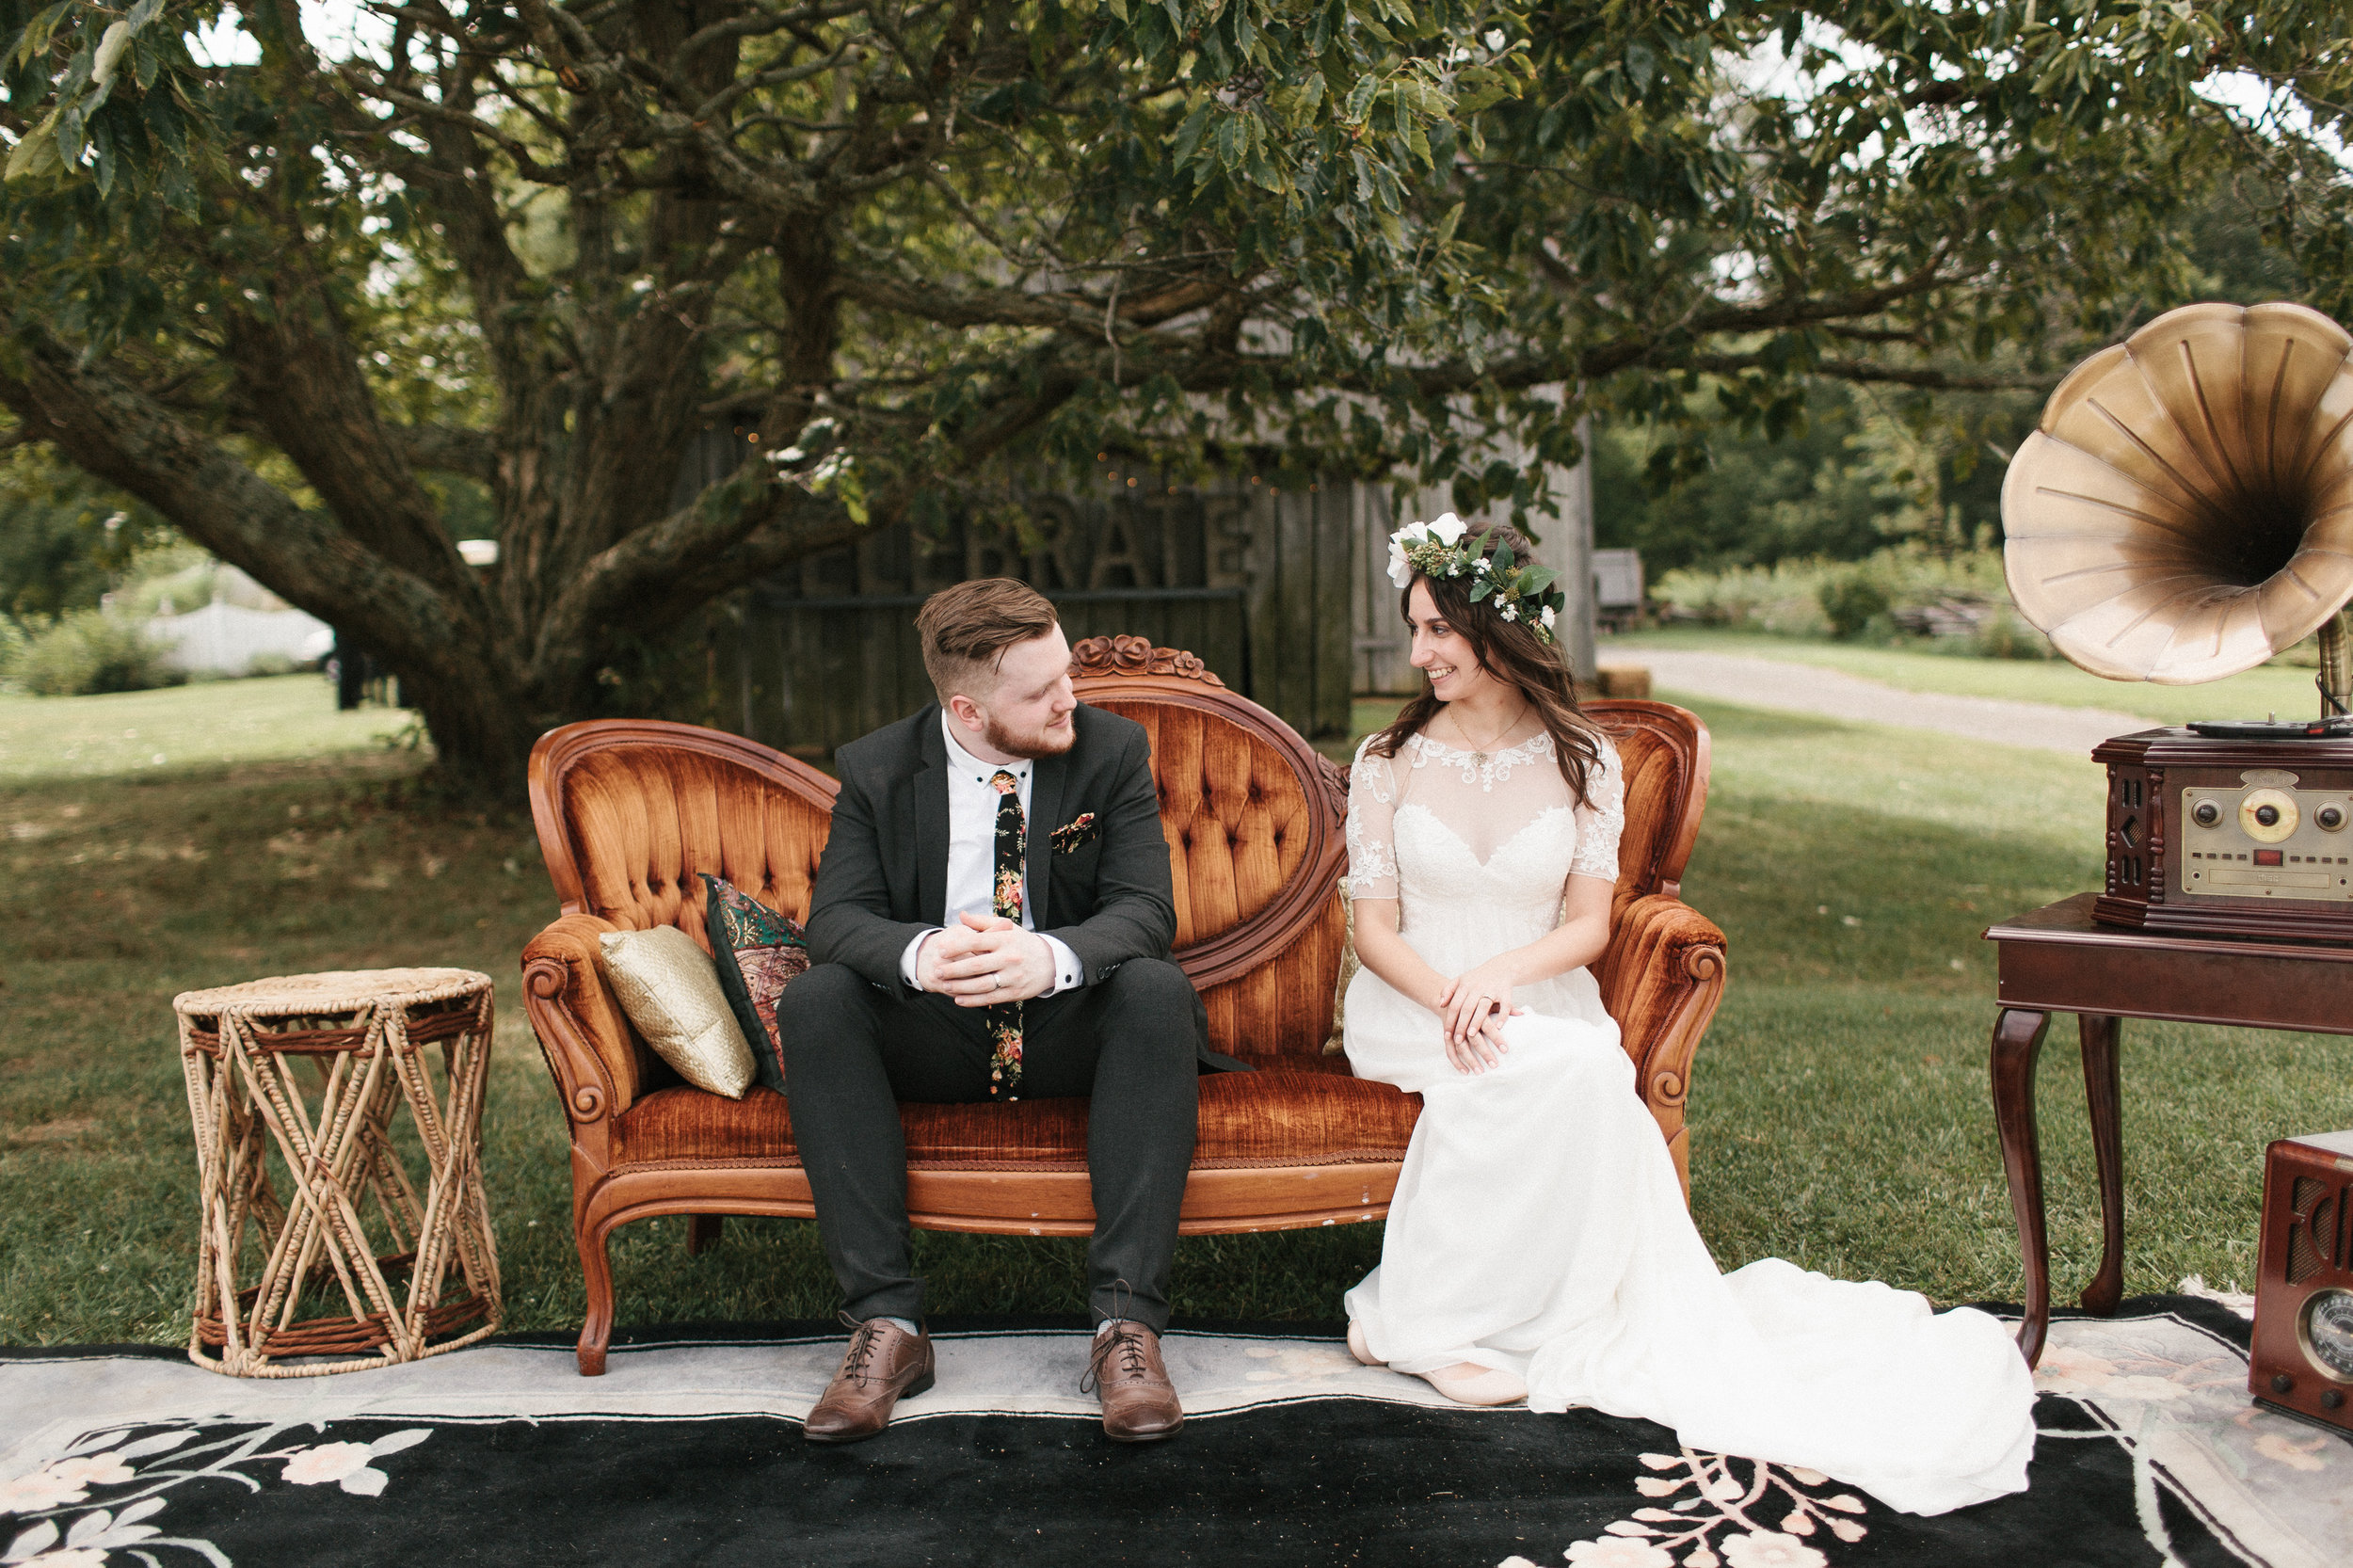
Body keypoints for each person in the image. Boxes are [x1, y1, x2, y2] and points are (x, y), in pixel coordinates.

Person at [1339, 516, 2036, 1515]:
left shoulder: (1583, 759)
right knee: (1557, 1070)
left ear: (1498, 629)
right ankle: (1425, 1323)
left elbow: (1588, 926)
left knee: (1573, 1064)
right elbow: (1373, 932)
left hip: (1536, 991)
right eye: (1413, 628)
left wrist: (1502, 977)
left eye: (1437, 631)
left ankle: (1421, 1316)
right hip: (1413, 1003)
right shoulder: (1387, 758)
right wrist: (1455, 996)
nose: (1418, 654)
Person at [779, 577, 1227, 1447]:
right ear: (969, 710)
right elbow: (834, 920)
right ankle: (888, 1327)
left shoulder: (1110, 750)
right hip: (935, 1032)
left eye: (1067, 671)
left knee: (1153, 987)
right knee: (819, 999)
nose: (1073, 695)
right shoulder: (877, 766)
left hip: (1068, 1029)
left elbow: (1145, 912)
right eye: (1043, 689)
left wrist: (1048, 957)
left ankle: (1125, 1327)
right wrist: (921, 955)